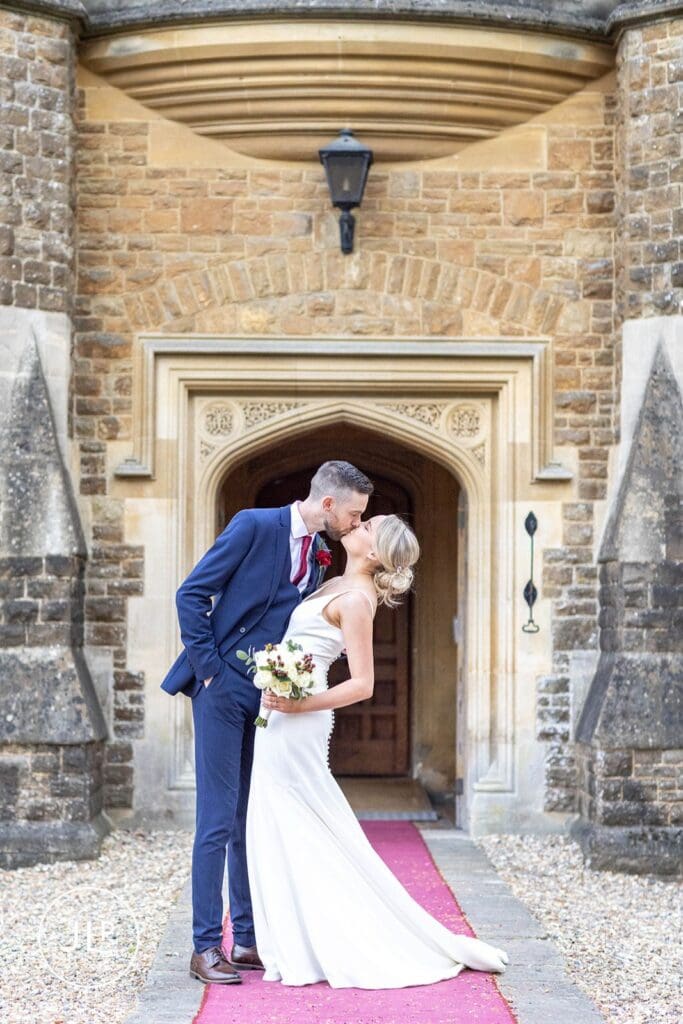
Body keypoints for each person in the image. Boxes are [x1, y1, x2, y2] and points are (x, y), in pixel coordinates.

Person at [246, 514, 509, 988]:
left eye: (370, 524)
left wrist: (298, 702)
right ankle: (292, 936)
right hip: (281, 715)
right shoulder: (334, 583)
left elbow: (363, 684)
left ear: (373, 552)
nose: (360, 522)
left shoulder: (356, 600)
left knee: (297, 819)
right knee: (279, 818)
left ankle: (322, 940)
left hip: (299, 720)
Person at [159, 461, 374, 985]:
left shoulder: (321, 555)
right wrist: (210, 673)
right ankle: (206, 946)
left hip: (270, 696)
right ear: (328, 505)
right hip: (222, 689)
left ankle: (250, 939)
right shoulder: (255, 525)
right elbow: (192, 594)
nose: (355, 523)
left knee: (248, 819)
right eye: (354, 514)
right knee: (215, 819)